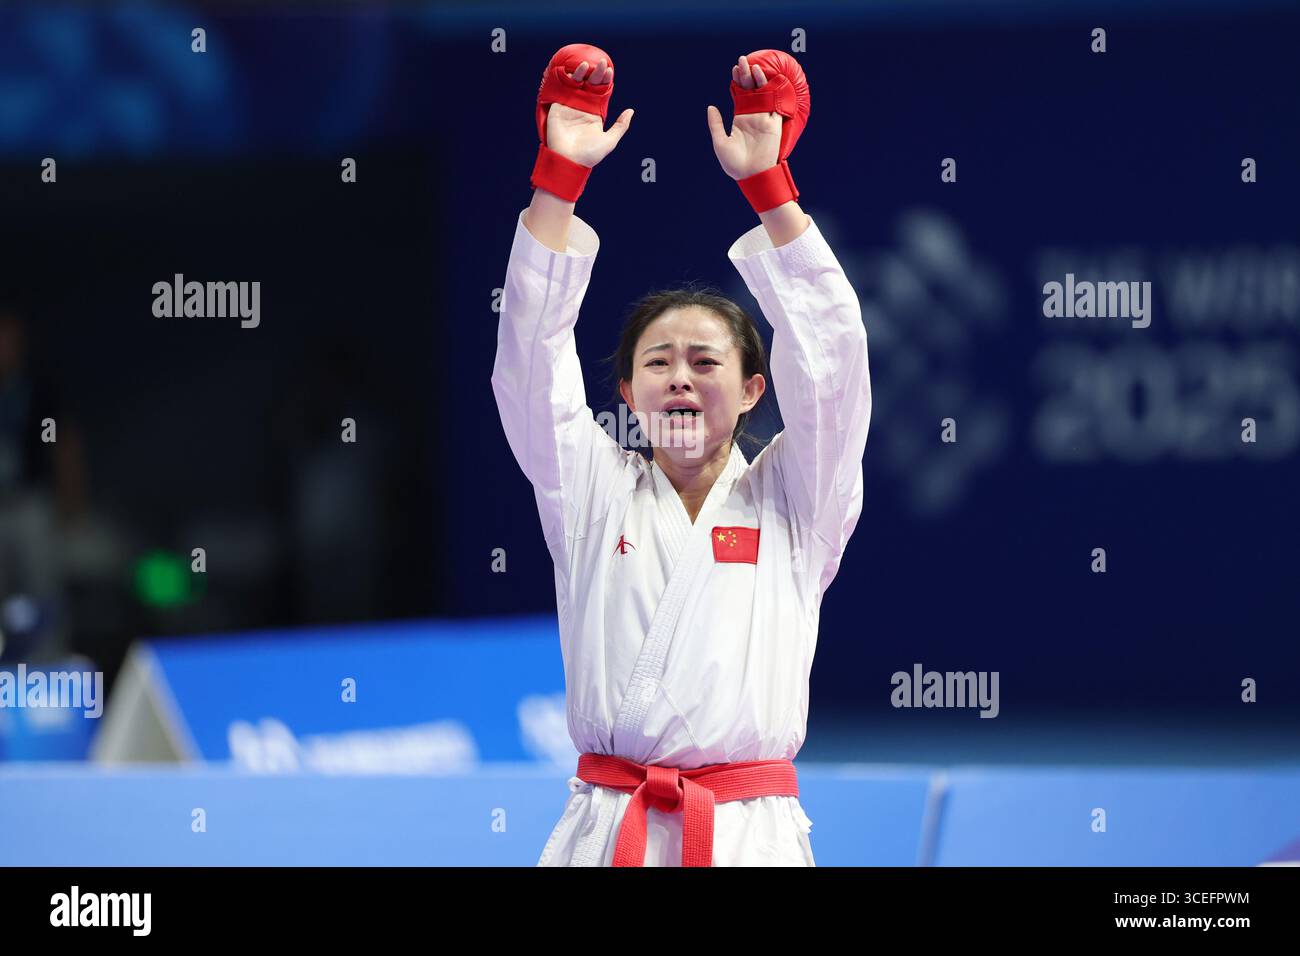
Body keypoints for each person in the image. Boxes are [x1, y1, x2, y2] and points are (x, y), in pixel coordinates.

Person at [491, 45, 872, 866]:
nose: (680, 380)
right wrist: (559, 175)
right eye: (657, 363)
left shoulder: (799, 503)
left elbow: (835, 373)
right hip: (609, 828)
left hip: (748, 837)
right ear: (626, 395)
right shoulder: (589, 492)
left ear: (752, 391)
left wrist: (772, 190)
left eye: (706, 363)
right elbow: (530, 371)